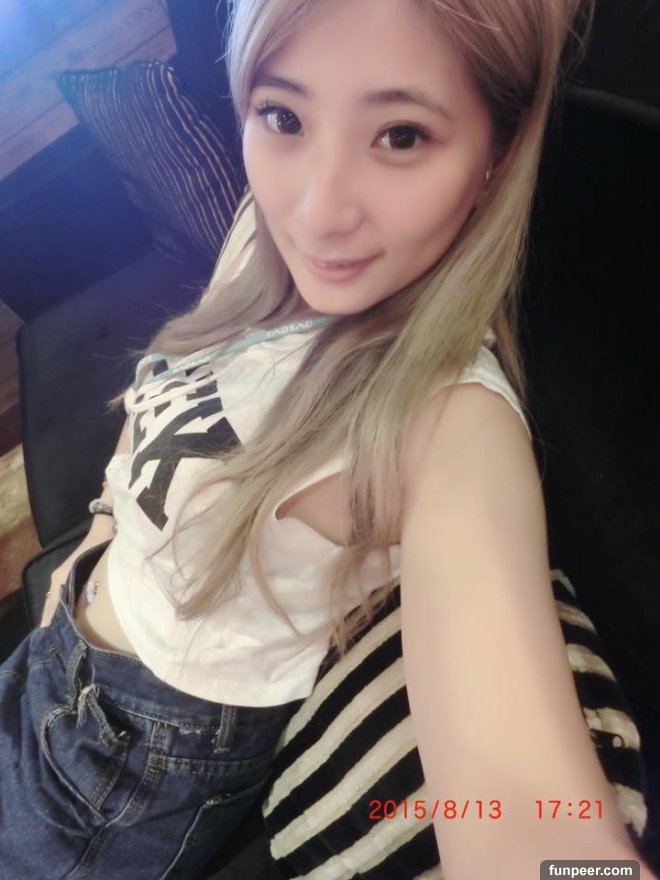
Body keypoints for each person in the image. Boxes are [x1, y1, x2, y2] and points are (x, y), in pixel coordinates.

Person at [0, 0, 656, 877]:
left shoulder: (447, 423)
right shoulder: (266, 239)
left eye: (400, 136)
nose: (317, 211)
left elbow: (526, 831)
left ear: (496, 154)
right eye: (284, 116)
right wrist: (96, 540)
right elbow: (166, 392)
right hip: (60, 644)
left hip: (113, 779)